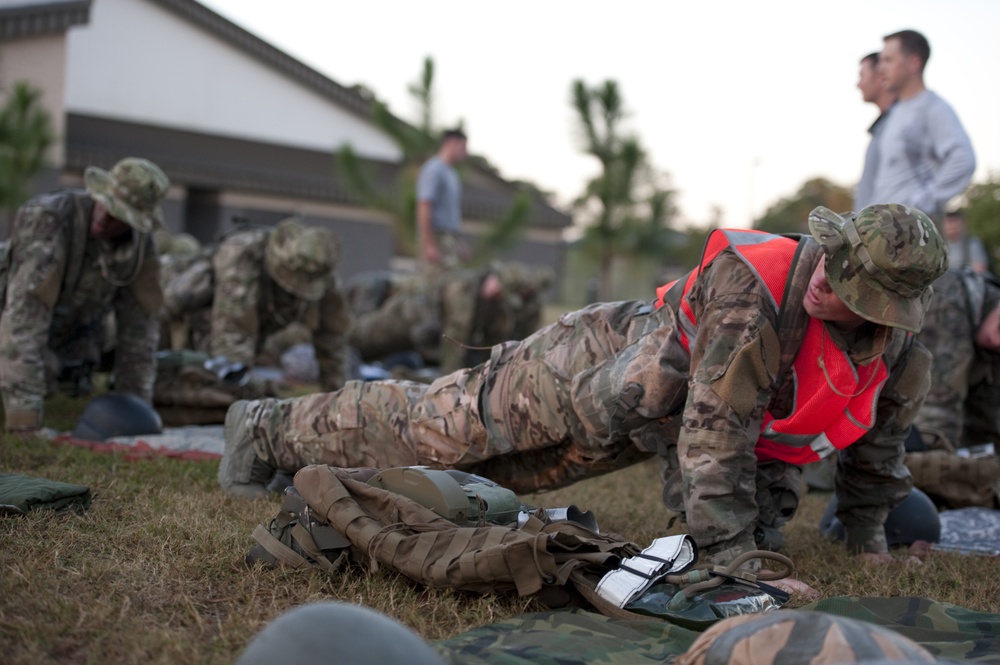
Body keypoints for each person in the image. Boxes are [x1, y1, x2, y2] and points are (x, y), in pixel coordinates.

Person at [218, 204, 947, 569]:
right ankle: (264, 424)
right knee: (436, 425)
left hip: (634, 415)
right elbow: (714, 434)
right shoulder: (756, 287)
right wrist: (728, 560)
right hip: (588, 360)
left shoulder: (900, 359)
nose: (825, 273)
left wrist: (865, 536)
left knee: (477, 479)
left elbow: (875, 454)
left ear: (886, 310)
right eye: (832, 254)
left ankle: (314, 469)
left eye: (847, 276)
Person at [0, 157, 168, 435]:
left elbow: (141, 330)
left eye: (118, 215)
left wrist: (133, 412)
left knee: (55, 371)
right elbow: (25, 316)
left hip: (67, 335)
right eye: (105, 203)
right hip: (11, 320)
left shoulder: (141, 250)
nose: (104, 217)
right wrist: (24, 418)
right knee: (34, 368)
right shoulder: (49, 218)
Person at [206, 217, 353, 392]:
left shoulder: (323, 277)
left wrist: (337, 394)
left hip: (255, 338)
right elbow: (232, 325)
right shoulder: (243, 252)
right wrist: (235, 375)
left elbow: (332, 340)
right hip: (204, 322)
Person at [872, 29, 975, 220]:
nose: (880, 68)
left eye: (888, 60)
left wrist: (921, 204)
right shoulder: (894, 114)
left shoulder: (933, 108)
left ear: (914, 63)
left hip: (914, 239)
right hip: (887, 236)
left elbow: (963, 159)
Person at [416, 129, 469, 274]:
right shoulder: (434, 169)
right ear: (451, 143)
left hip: (451, 239)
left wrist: (461, 243)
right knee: (436, 287)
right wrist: (428, 244)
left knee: (453, 283)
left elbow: (453, 212)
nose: (465, 152)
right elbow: (424, 205)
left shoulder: (452, 173)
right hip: (438, 237)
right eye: (463, 147)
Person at [854, 51, 897, 212]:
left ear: (880, 77)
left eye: (862, 76)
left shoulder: (900, 127)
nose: (858, 84)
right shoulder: (883, 127)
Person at [941, 209, 988, 273]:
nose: (952, 226)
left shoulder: (972, 244)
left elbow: (980, 268)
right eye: (949, 222)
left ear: (963, 223)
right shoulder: (941, 247)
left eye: (954, 221)